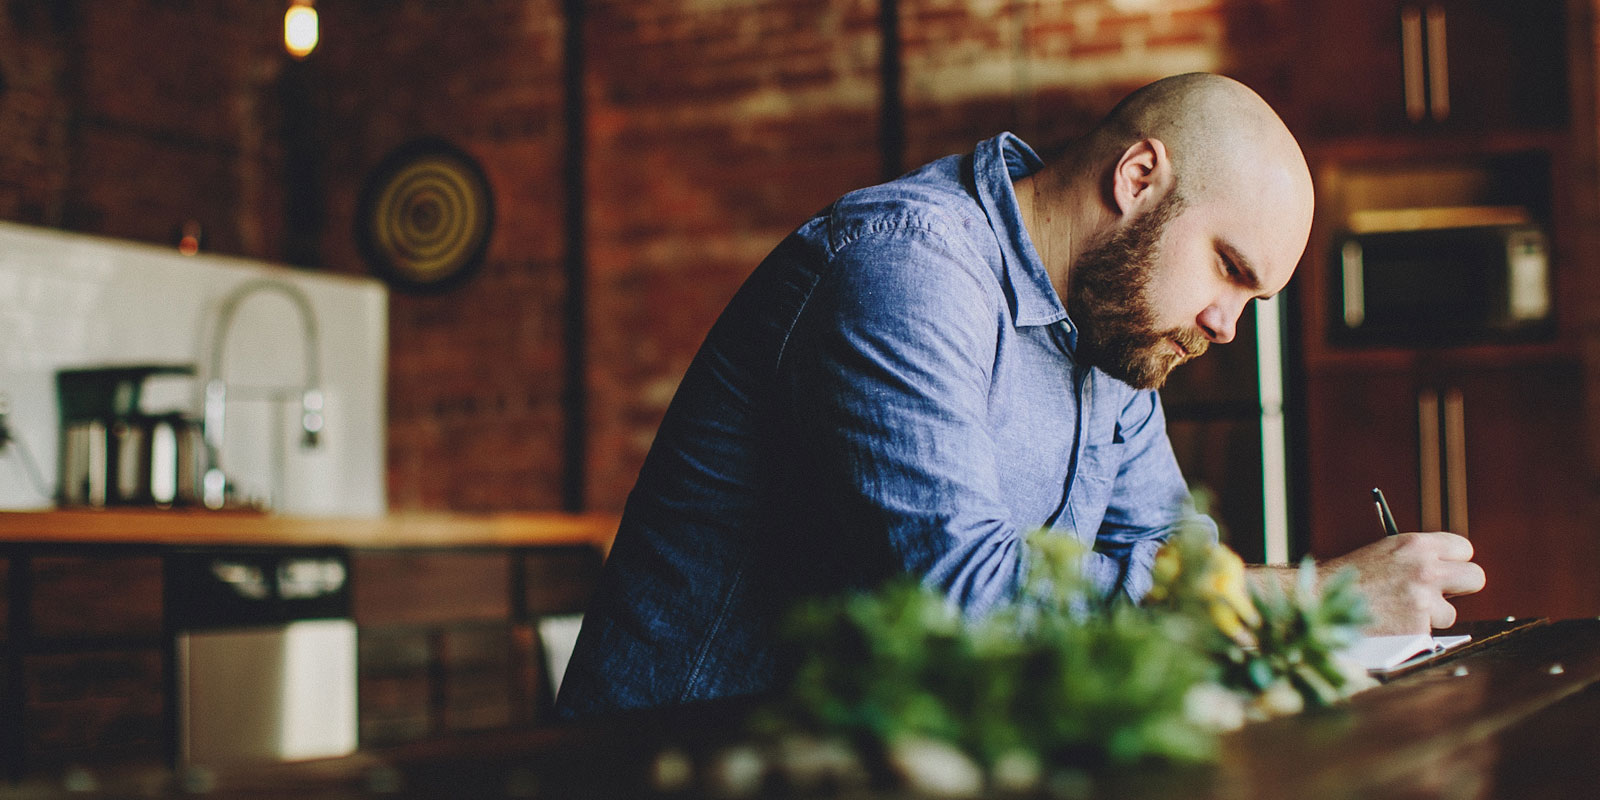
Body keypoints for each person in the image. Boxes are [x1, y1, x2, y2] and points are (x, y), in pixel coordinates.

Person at [555, 73, 1486, 718]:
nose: (1227, 324)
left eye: (1253, 298)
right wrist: (1315, 598)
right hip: (671, 764)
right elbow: (972, 605)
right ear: (1137, 179)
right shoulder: (904, 270)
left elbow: (1172, 558)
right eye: (1228, 270)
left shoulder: (1113, 332)